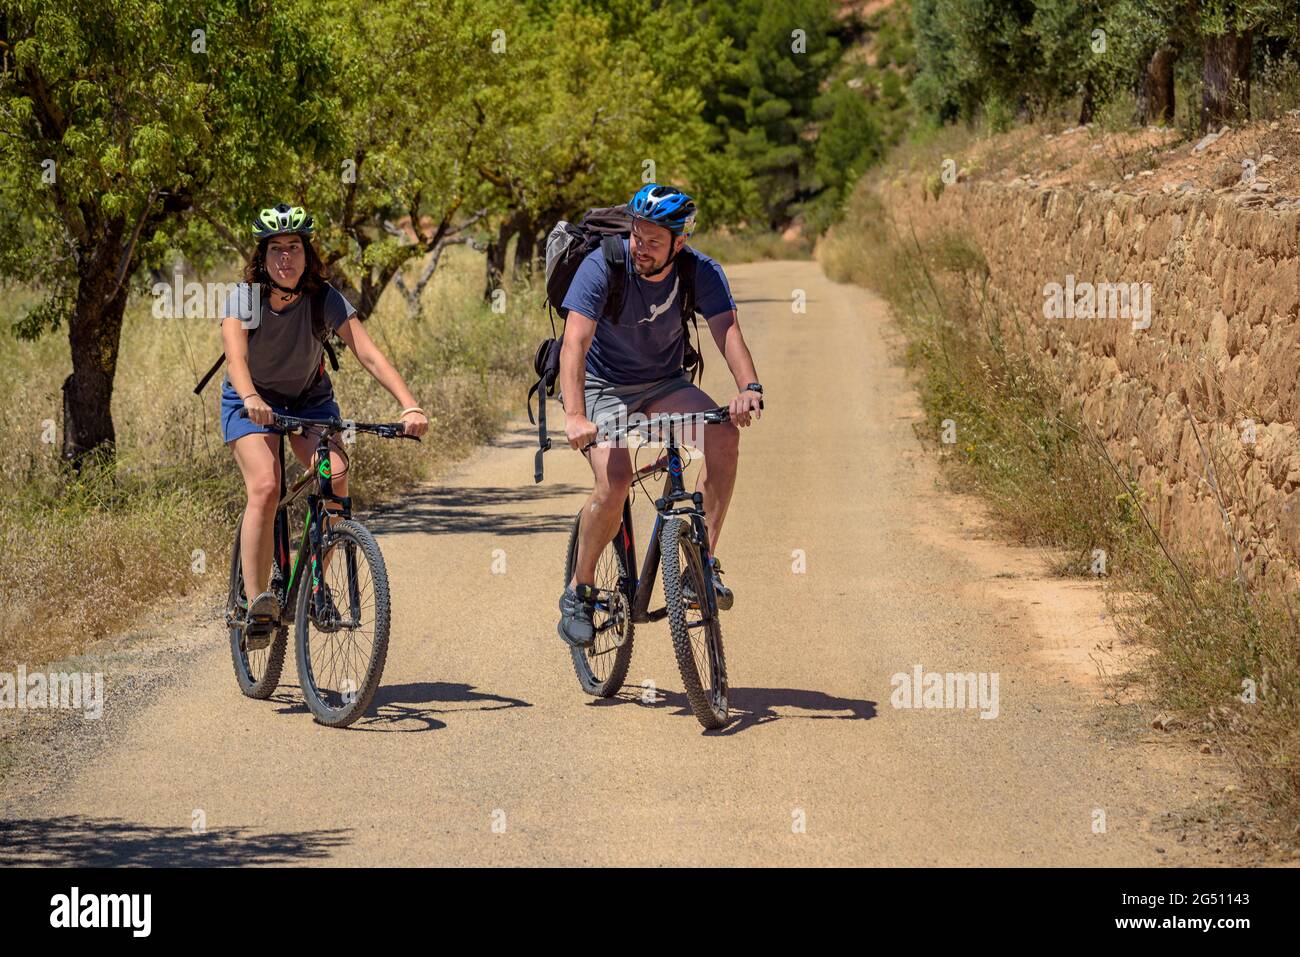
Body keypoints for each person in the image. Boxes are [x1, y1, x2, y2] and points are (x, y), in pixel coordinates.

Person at [555, 184, 763, 647]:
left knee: (724, 433)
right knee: (615, 481)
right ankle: (580, 590)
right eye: (636, 235)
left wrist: (748, 388)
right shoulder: (602, 265)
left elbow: (727, 332)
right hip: (600, 385)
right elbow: (575, 343)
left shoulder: (700, 272)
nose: (640, 248)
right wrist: (574, 415)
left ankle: (699, 566)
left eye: (653, 241)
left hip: (663, 383)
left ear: (679, 242)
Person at [219, 203, 428, 636]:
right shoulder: (245, 297)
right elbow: (236, 360)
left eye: (294, 247)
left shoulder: (324, 298)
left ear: (307, 253)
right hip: (249, 401)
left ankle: (314, 582)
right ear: (262, 256)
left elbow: (367, 352)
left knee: (335, 475)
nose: (285, 258)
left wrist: (409, 404)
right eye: (275, 249)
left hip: (308, 401)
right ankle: (256, 604)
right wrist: (253, 397)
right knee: (265, 485)